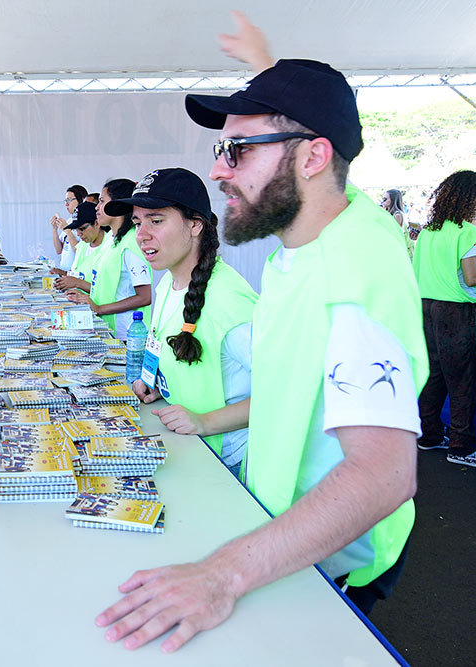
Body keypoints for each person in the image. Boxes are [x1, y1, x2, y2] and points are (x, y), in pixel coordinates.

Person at [97, 13, 426, 652]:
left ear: (313, 156)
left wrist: (223, 574)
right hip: (280, 527)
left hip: (336, 563)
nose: (220, 171)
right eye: (223, 149)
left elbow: (385, 475)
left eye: (236, 151)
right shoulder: (307, 241)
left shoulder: (353, 270)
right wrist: (270, 73)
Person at [116, 168, 258, 479]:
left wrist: (204, 421)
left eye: (156, 220)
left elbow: (284, 393)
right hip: (186, 449)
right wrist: (156, 382)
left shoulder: (231, 302)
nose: (141, 235)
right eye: (137, 223)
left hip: (225, 464)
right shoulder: (168, 282)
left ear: (194, 224)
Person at [413, 170, 476, 467]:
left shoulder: (429, 230)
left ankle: (429, 434)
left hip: (427, 307)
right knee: (464, 379)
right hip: (458, 312)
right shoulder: (468, 232)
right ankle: (461, 446)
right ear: (471, 197)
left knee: (434, 374)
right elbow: (473, 278)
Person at [66, 178, 152, 339]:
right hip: (108, 329)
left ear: (117, 204)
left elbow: (145, 297)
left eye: (102, 201)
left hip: (126, 336)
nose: (97, 208)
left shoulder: (132, 242)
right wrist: (85, 298)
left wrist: (99, 308)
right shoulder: (111, 240)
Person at [53, 201, 105, 293]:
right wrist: (62, 273)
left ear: (97, 223)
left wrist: (78, 283)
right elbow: (78, 274)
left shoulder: (109, 247)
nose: (78, 234)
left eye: (82, 229)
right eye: (75, 230)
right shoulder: (82, 246)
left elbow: (107, 291)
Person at [49, 185, 86, 273]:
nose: (66, 204)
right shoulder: (69, 221)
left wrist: (67, 230)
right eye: (66, 200)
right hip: (64, 273)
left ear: (81, 200)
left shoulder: (86, 224)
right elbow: (59, 250)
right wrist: (55, 230)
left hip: (76, 274)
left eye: (69, 200)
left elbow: (80, 252)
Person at [381, 188, 417, 259]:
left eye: (385, 199)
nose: (382, 202)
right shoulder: (394, 214)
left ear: (393, 200)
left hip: (404, 252)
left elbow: (393, 235)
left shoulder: (397, 215)